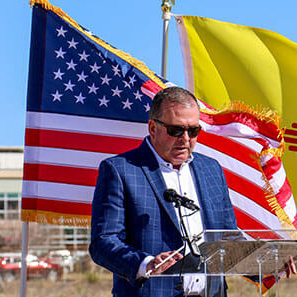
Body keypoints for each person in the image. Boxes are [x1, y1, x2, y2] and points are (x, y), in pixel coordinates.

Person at [89, 86, 238, 297]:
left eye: (193, 131)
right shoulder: (120, 170)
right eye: (176, 130)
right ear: (153, 128)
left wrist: (271, 260)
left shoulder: (211, 169)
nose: (185, 139)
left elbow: (228, 236)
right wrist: (146, 263)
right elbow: (102, 243)